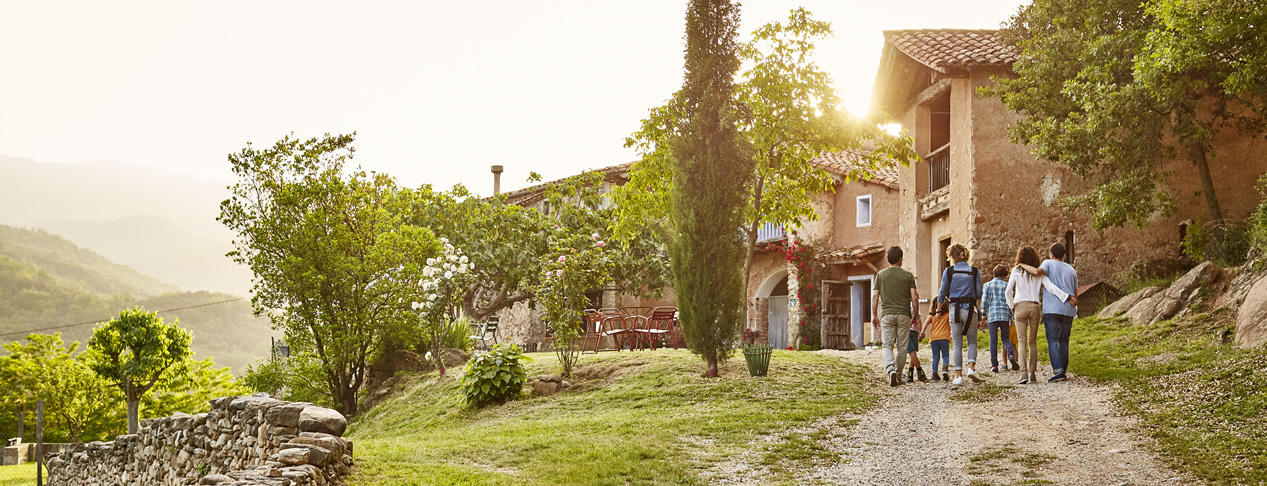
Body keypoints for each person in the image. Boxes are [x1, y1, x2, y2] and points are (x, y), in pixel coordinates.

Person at [1010, 244, 1077, 384]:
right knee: (1034, 341)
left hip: (1022, 307)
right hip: (1036, 307)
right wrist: (1068, 298)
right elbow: (1052, 288)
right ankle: (1034, 374)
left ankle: (1024, 374)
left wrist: (1012, 306)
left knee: (1023, 341)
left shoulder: (1018, 270)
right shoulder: (1047, 273)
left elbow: (1008, 291)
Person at [872, 246, 920, 387]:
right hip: (904, 314)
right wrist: (916, 315)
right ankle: (898, 376)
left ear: (889, 259)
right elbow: (915, 297)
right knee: (902, 347)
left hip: (887, 314)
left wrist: (874, 315)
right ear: (900, 259)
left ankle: (890, 370)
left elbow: (875, 296)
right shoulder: (908, 276)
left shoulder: (880, 275)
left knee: (887, 345)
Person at [937, 243, 983, 386]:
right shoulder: (974, 271)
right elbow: (979, 293)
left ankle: (958, 376)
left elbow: (942, 293)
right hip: (970, 309)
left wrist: (938, 311)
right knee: (972, 341)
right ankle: (971, 368)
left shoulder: (949, 271)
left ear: (952, 256)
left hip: (954, 309)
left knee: (957, 343)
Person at [981, 264, 1017, 373]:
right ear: (1004, 275)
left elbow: (984, 300)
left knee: (993, 340)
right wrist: (1011, 317)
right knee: (1005, 338)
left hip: (992, 315)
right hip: (1004, 315)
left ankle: (995, 366)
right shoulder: (1006, 285)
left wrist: (983, 313)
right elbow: (1010, 301)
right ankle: (1011, 354)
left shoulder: (987, 285)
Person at [923, 298, 951, 382]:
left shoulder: (932, 316)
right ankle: (945, 370)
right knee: (945, 355)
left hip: (934, 338)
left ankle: (934, 374)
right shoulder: (948, 315)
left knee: (935, 356)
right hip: (944, 338)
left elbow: (926, 322)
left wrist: (922, 332)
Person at [906, 317, 928, 383]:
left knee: (912, 352)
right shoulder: (914, 307)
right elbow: (918, 318)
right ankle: (920, 371)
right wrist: (921, 332)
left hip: (905, 330)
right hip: (913, 331)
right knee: (912, 352)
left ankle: (910, 374)